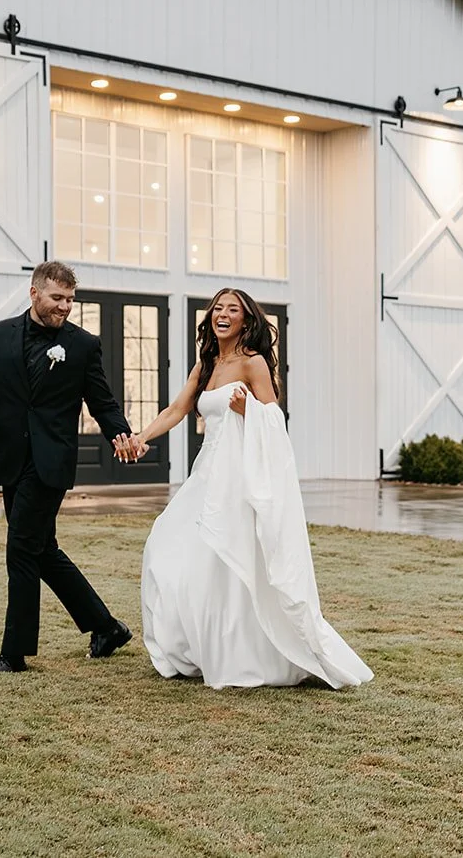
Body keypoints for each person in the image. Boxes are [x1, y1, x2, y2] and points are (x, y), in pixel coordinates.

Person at [132, 287, 372, 690]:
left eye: (233, 309)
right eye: (217, 308)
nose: (223, 314)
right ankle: (202, 647)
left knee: (230, 561)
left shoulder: (253, 362)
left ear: (246, 320)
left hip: (241, 477)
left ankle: (245, 654)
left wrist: (250, 411)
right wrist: (142, 437)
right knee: (168, 548)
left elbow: (273, 418)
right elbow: (177, 410)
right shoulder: (207, 364)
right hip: (207, 472)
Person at [0, 261, 148, 677]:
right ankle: (107, 627)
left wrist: (120, 434)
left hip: (50, 462)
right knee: (42, 551)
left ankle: (13, 655)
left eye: (71, 300)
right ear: (34, 293)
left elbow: (102, 400)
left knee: (20, 549)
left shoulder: (83, 345)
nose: (65, 307)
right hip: (10, 459)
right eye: (58, 298)